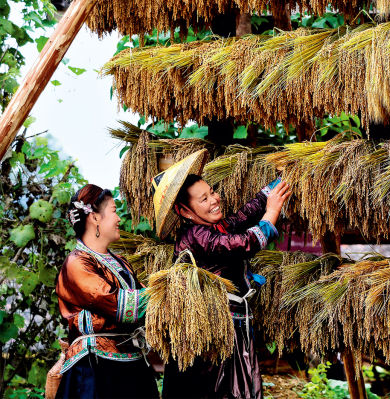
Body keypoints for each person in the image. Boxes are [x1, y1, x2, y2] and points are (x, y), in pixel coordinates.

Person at [151, 150, 291, 398]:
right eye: (203, 199)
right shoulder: (196, 236)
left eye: (212, 192)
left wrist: (278, 183)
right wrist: (271, 214)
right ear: (184, 211)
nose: (214, 200)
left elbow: (245, 214)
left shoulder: (216, 227)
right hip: (211, 341)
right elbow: (243, 243)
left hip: (231, 331)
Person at [55, 184, 158, 399]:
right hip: (95, 367)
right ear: (95, 218)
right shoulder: (76, 263)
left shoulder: (121, 262)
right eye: (113, 211)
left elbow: (144, 303)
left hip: (132, 363)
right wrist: (165, 291)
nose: (119, 218)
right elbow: (119, 305)